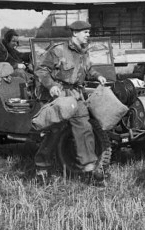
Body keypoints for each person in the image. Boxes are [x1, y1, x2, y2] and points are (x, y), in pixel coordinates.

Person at [34, 20, 107, 183]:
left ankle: (89, 170)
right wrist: (51, 86)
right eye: (85, 32)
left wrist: (97, 76)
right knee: (53, 131)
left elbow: (88, 69)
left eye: (89, 32)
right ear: (75, 33)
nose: (88, 35)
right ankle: (42, 169)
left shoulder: (83, 51)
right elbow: (41, 70)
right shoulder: (58, 50)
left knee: (84, 128)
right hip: (59, 95)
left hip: (75, 94)